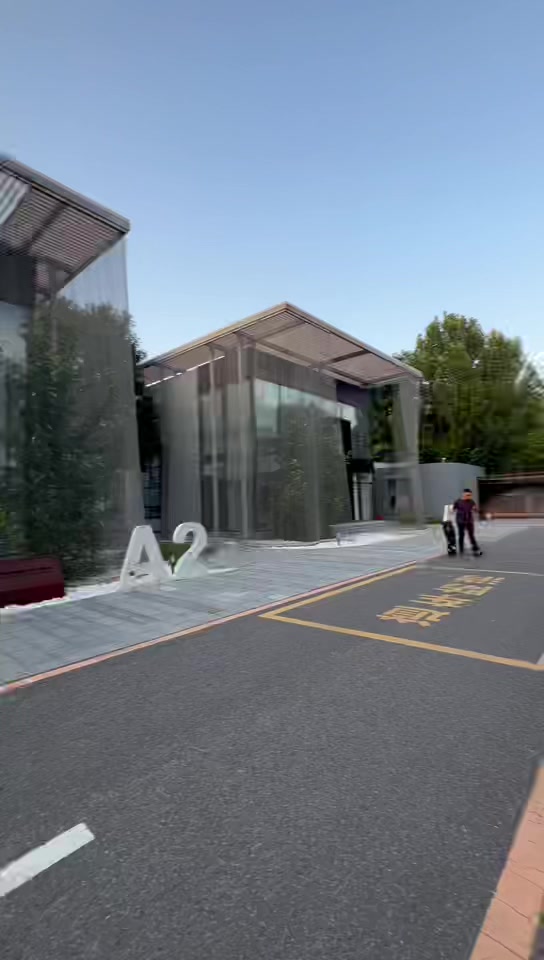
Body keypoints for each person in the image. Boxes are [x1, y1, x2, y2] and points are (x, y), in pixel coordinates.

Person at [453, 488, 482, 556]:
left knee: (471, 535)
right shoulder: (457, 501)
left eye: (470, 495)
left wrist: (477, 510)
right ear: (463, 494)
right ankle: (461, 549)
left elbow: (475, 509)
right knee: (461, 535)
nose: (469, 496)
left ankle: (475, 548)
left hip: (469, 521)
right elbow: (453, 510)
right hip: (460, 521)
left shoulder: (471, 501)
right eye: (468, 495)